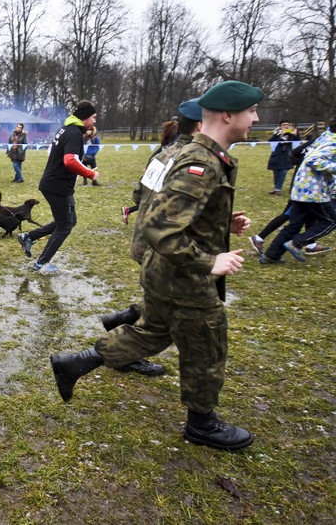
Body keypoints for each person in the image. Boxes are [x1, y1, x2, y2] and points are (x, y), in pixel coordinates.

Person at [49, 80, 262, 451]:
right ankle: (202, 424)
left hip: (163, 267)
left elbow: (161, 205)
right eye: (251, 111)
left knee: (153, 331)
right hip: (183, 275)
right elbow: (160, 224)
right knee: (206, 346)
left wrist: (221, 223)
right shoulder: (199, 162)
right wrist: (210, 261)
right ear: (227, 115)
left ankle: (76, 363)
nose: (256, 118)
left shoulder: (179, 155)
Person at [99, 99, 203, 377]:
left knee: (160, 301)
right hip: (164, 246)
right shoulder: (192, 159)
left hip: (145, 239)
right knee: (165, 309)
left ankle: (123, 320)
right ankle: (124, 350)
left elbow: (138, 193)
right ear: (201, 125)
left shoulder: (162, 154)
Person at [17, 101, 99, 273]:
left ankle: (28, 236)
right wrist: (90, 174)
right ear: (84, 118)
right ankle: (41, 263)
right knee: (65, 226)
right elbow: (69, 160)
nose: (94, 122)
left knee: (69, 221)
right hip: (58, 186)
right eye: (93, 118)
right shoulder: (74, 133)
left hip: (53, 183)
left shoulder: (66, 129)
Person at [259, 121, 336, 264]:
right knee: (331, 220)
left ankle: (271, 255)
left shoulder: (324, 137)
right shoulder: (333, 143)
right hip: (313, 191)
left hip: (301, 188)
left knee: (295, 224)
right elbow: (314, 160)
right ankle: (297, 243)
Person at [121, 119, 179, 224]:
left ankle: (129, 210)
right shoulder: (173, 144)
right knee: (153, 199)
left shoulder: (167, 143)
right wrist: (149, 166)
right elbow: (156, 154)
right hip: (161, 174)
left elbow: (155, 154)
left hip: (159, 173)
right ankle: (131, 211)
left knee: (151, 199)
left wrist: (148, 165)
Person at [266, 120, 300, 195]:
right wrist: (278, 135)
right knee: (276, 171)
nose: (286, 126)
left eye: (287, 124)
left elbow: (298, 141)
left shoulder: (292, 133)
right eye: (284, 124)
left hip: (286, 155)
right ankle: (276, 188)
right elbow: (271, 141)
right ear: (280, 126)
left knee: (283, 171)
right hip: (277, 154)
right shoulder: (277, 132)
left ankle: (278, 189)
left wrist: (294, 134)